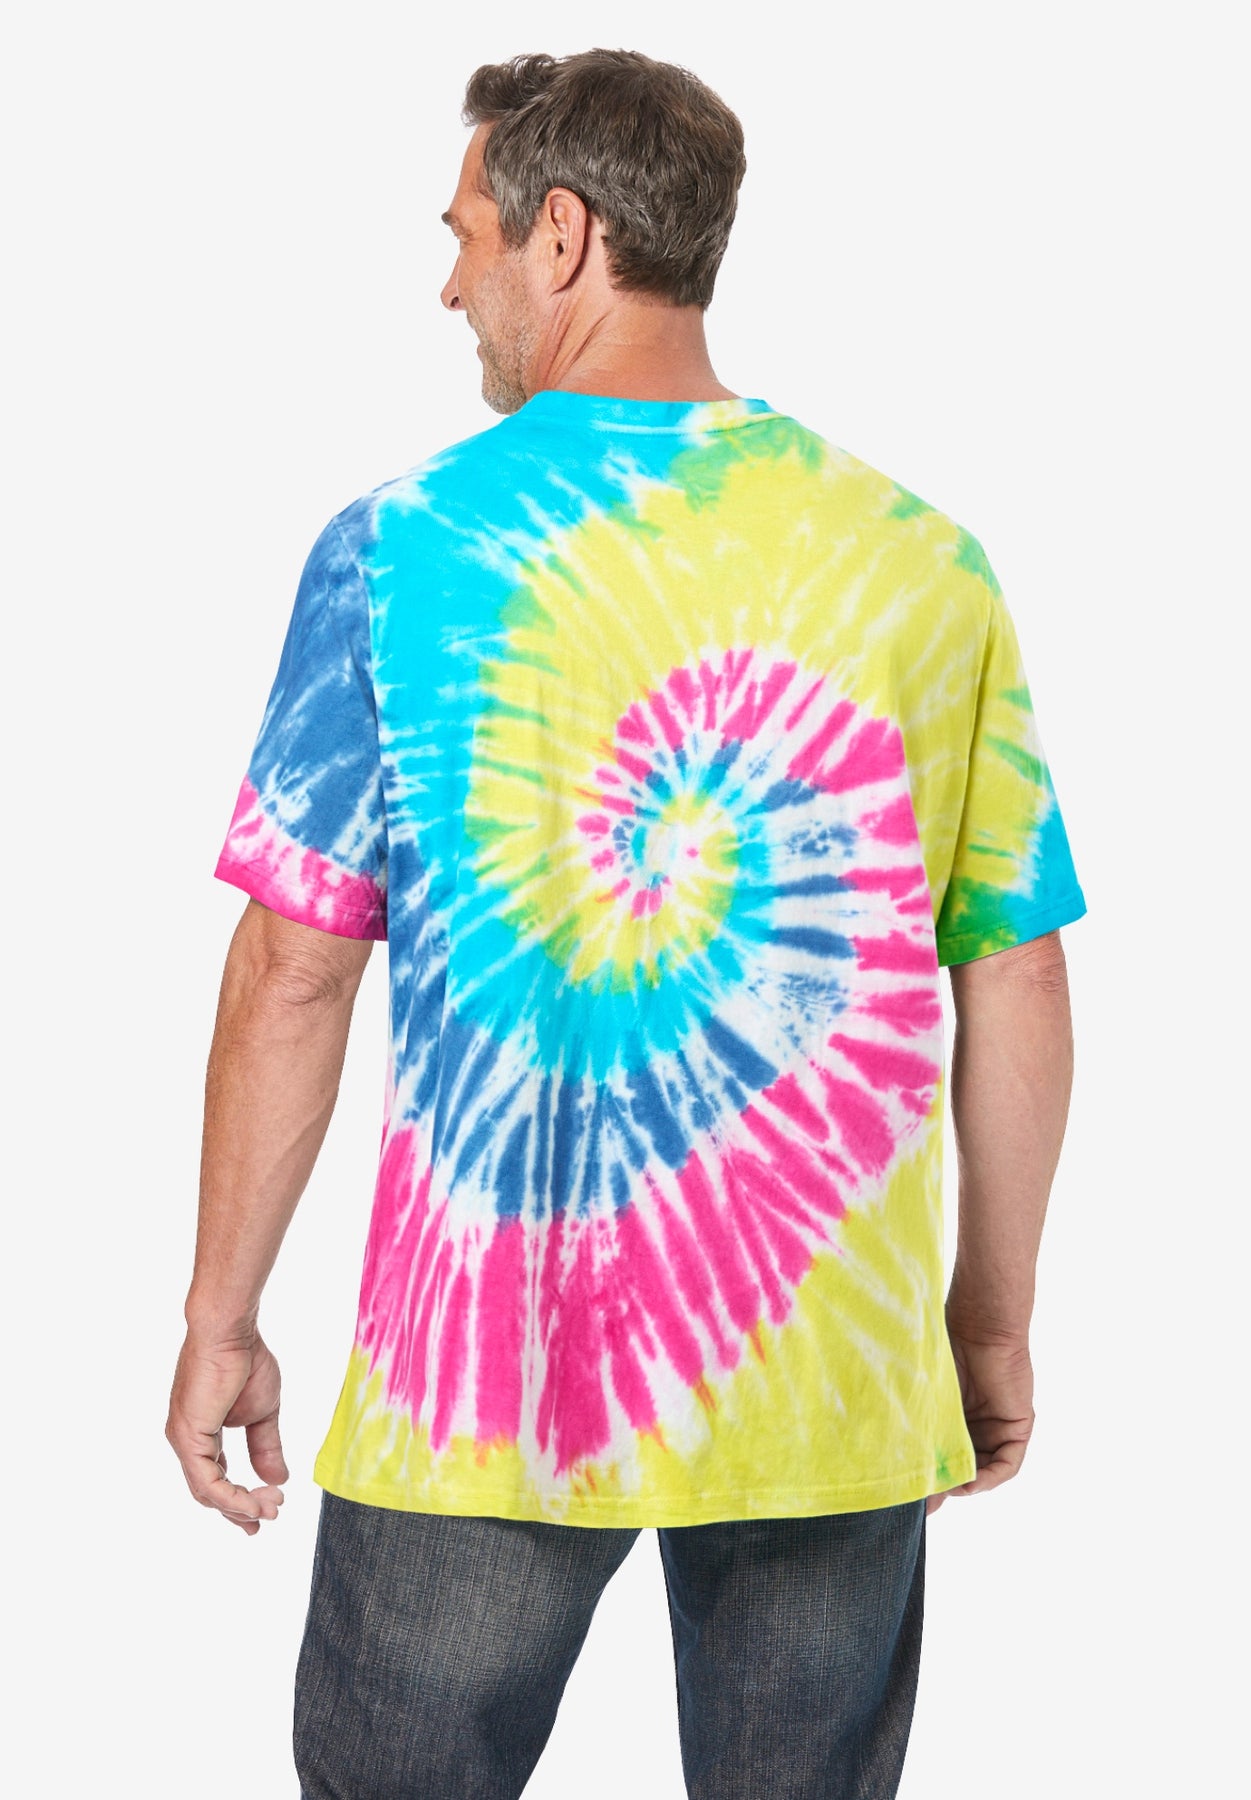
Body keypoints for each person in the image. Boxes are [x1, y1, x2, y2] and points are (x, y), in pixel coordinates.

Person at [166, 48, 1085, 1800]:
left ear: (565, 235)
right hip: (827, 1377)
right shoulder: (922, 560)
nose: (450, 284)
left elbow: (296, 968)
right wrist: (984, 1323)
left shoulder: (398, 548)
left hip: (479, 1379)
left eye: (466, 235)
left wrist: (222, 1311)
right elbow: (1017, 968)